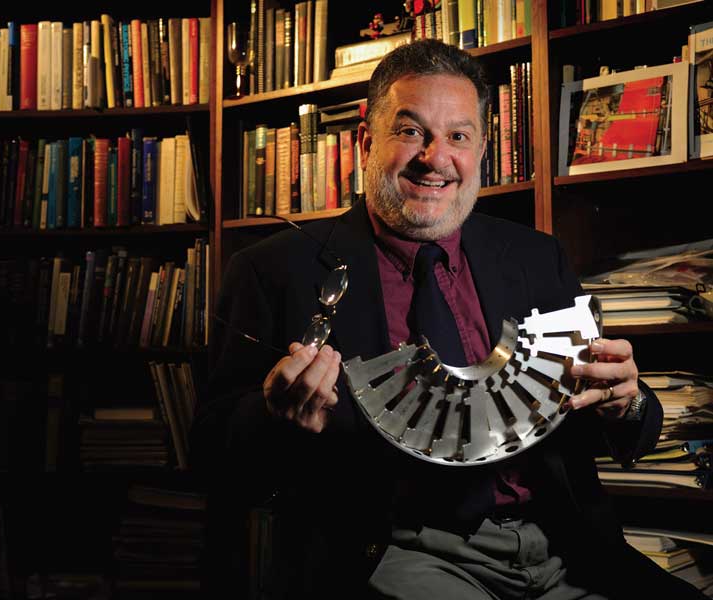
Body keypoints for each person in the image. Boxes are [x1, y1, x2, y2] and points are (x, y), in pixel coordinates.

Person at [202, 39, 705, 599]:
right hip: (396, 552)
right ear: (367, 141)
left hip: (564, 546)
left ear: (481, 150)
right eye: (411, 131)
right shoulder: (272, 270)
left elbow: (618, 431)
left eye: (457, 137)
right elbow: (217, 460)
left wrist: (626, 404)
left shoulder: (539, 258)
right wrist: (276, 416)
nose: (435, 158)